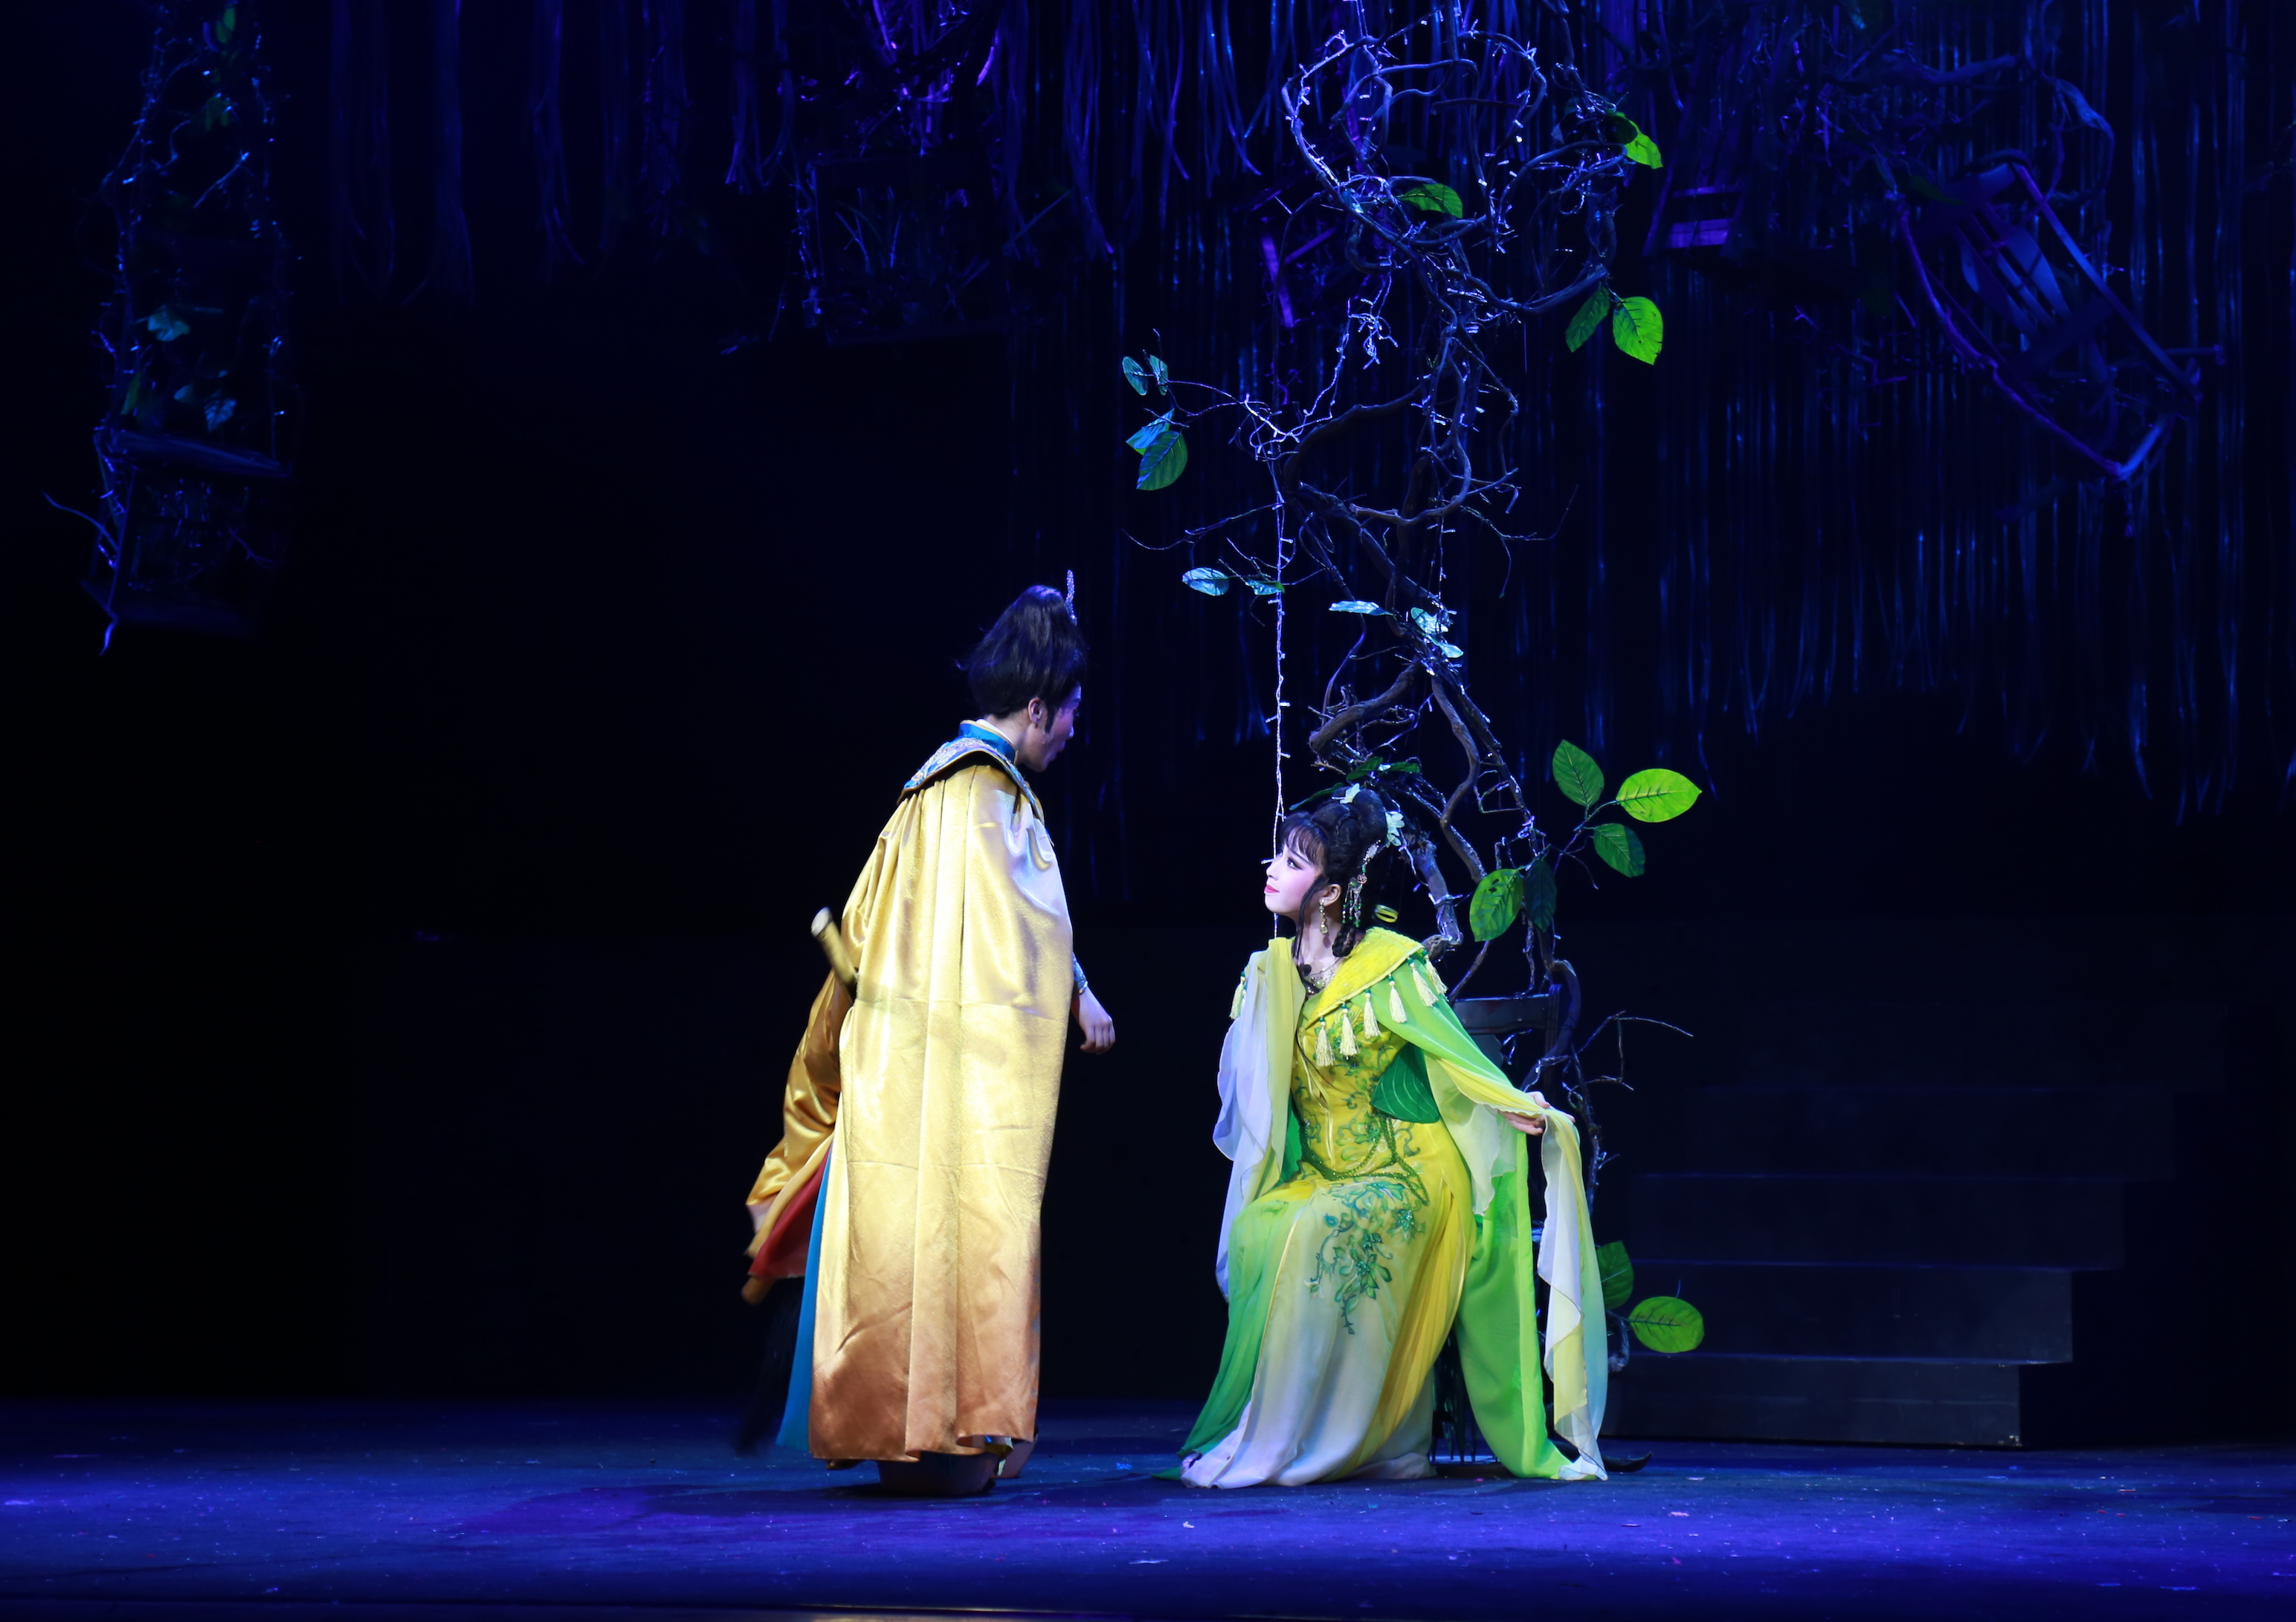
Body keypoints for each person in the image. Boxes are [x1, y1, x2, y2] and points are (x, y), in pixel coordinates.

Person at [736, 585, 1115, 1496]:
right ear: (1037, 708)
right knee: (966, 1224)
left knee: (910, 1228)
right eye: (1070, 710)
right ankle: (952, 1422)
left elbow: (874, 938)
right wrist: (1079, 994)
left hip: (899, 1071)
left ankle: (908, 1427)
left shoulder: (925, 796)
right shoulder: (991, 802)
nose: (1073, 729)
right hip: (955, 1081)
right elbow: (1028, 936)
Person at [1180, 786, 1607, 1487]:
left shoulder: (1390, 963)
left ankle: (1327, 1439)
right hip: (1324, 1170)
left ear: (1330, 892)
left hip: (1408, 1169)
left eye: (1292, 862)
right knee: (1262, 1226)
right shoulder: (1270, 971)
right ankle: (1309, 1430)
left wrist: (1508, 1101)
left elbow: (1451, 1053)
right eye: (1278, 856)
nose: (1272, 869)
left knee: (1319, 1229)